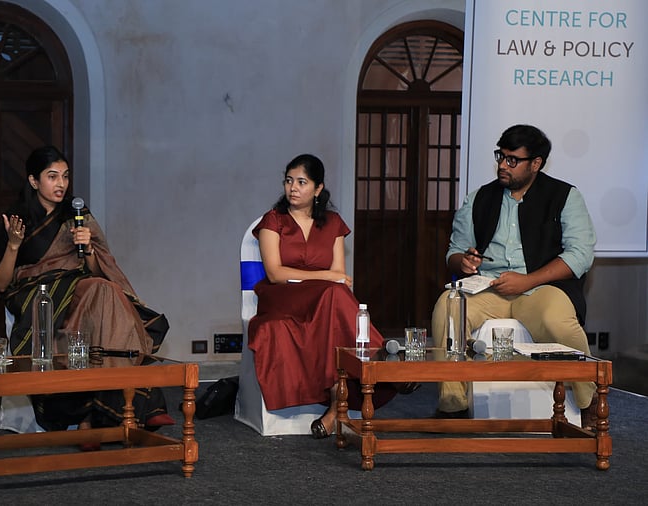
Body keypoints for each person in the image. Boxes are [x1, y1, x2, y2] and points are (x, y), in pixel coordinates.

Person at [0, 146, 172, 437]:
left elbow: (99, 271)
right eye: (52, 177)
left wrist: (88, 248)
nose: (61, 183)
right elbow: (1, 283)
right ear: (34, 181)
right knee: (99, 299)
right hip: (34, 291)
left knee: (105, 296)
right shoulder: (18, 219)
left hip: (79, 285)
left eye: (65, 176)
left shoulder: (78, 215)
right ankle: (126, 409)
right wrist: (13, 245)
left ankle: (100, 414)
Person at [431, 124, 598, 428]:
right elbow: (454, 251)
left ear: (536, 164)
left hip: (541, 287)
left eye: (512, 160)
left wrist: (528, 281)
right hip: (489, 289)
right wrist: (464, 262)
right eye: (500, 157)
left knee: (555, 320)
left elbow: (579, 256)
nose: (502, 166)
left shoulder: (564, 196)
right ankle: (453, 404)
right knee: (449, 305)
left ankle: (589, 402)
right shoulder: (480, 198)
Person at [248, 154, 397, 440]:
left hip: (321, 300)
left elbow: (339, 274)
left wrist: (331, 278)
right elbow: (276, 273)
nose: (293, 188)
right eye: (289, 181)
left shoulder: (333, 223)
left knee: (335, 296)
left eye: (302, 182)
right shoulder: (273, 220)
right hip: (281, 296)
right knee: (335, 291)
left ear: (318, 189)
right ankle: (381, 361)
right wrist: (326, 276)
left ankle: (335, 405)